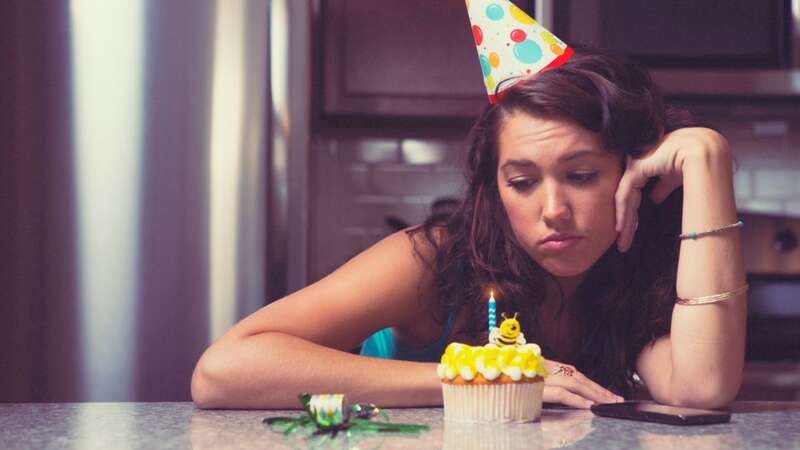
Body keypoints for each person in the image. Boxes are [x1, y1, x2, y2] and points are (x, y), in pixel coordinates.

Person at [191, 48, 747, 410]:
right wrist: (483, 377)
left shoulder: (635, 268)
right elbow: (223, 371)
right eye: (522, 182)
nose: (553, 209)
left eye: (580, 175)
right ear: (494, 189)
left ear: (633, 172)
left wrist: (707, 160)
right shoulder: (434, 259)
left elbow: (701, 391)